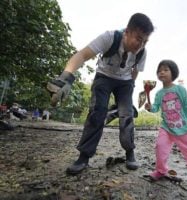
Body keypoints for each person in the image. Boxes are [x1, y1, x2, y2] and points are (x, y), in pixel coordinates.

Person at [47, 13, 154, 175]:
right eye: (138, 39)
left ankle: (129, 152)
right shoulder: (109, 37)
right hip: (104, 77)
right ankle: (84, 156)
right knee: (97, 112)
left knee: (127, 114)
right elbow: (81, 55)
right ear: (127, 31)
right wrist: (66, 77)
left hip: (124, 82)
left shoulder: (142, 52)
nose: (141, 45)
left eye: (145, 41)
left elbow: (135, 71)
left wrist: (130, 86)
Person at [145, 60, 187, 186]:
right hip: (166, 128)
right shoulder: (159, 93)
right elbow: (156, 108)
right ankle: (161, 170)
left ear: (173, 73)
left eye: (165, 70)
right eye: (159, 71)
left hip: (182, 128)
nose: (161, 72)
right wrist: (149, 107)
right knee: (160, 147)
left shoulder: (180, 89)